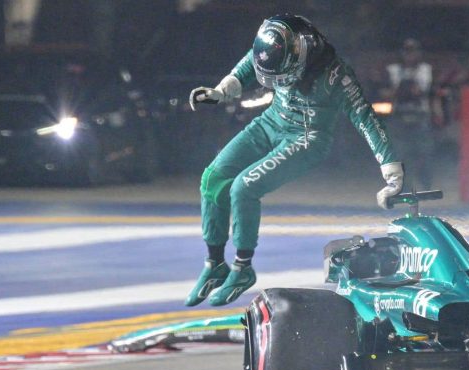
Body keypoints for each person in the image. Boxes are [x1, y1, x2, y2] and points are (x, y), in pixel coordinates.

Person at [185, 14, 403, 307]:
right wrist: (222, 91)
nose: (277, 82)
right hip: (271, 121)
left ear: (304, 55)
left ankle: (242, 267)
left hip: (306, 138)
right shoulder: (280, 46)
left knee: (243, 188)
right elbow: (252, 61)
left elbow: (366, 119)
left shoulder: (336, 76)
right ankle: (214, 264)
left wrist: (391, 171)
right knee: (212, 177)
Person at [384, 38, 437, 190]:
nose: (410, 56)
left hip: (420, 115)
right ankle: (404, 186)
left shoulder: (425, 70)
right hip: (399, 116)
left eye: (413, 52)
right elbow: (386, 91)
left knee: (424, 152)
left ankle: (425, 182)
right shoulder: (393, 70)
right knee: (400, 154)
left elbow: (425, 91)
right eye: (407, 52)